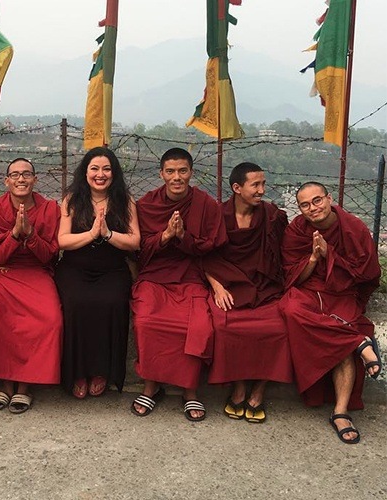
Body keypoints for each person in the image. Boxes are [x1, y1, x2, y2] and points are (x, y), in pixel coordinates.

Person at [279, 182, 381, 444]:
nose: (312, 208)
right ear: (299, 209)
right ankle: (359, 343)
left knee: (341, 338)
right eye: (305, 205)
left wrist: (330, 253)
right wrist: (313, 258)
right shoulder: (297, 231)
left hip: (342, 292)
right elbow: (293, 277)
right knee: (289, 308)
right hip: (309, 291)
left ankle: (341, 412)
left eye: (317, 201)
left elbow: (366, 273)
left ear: (329, 198)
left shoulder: (353, 227)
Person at [131, 147, 226, 421]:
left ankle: (189, 391)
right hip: (155, 277)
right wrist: (164, 236)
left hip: (191, 277)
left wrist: (183, 237)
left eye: (182, 171)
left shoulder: (206, 205)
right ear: (161, 174)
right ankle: (150, 386)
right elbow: (139, 250)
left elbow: (212, 246)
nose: (177, 177)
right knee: (146, 322)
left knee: (197, 326)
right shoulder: (147, 204)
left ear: (191, 173)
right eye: (170, 171)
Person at [203, 162, 292, 423]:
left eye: (263, 184)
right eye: (256, 185)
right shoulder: (218, 216)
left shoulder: (272, 216)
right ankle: (239, 387)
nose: (262, 190)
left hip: (265, 286)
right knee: (226, 325)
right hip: (229, 284)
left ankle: (259, 390)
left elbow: (283, 253)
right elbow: (203, 255)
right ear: (237, 188)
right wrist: (216, 286)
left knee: (278, 328)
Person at [0, 158, 62, 413]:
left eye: (26, 174)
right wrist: (14, 234)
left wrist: (31, 234)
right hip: (5, 272)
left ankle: (25, 385)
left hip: (37, 272)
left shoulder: (49, 209)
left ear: (35, 179)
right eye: (15, 175)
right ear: (7, 181)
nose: (21, 179)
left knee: (50, 320)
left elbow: (49, 256)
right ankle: (5, 384)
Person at [54, 147, 140, 399]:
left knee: (111, 302)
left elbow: (135, 241)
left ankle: (102, 371)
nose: (100, 174)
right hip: (75, 268)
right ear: (85, 172)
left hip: (112, 269)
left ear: (114, 173)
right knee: (76, 304)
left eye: (106, 169)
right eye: (94, 168)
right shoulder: (72, 199)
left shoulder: (125, 200)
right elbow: (62, 240)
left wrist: (108, 234)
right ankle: (77, 372)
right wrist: (92, 234)